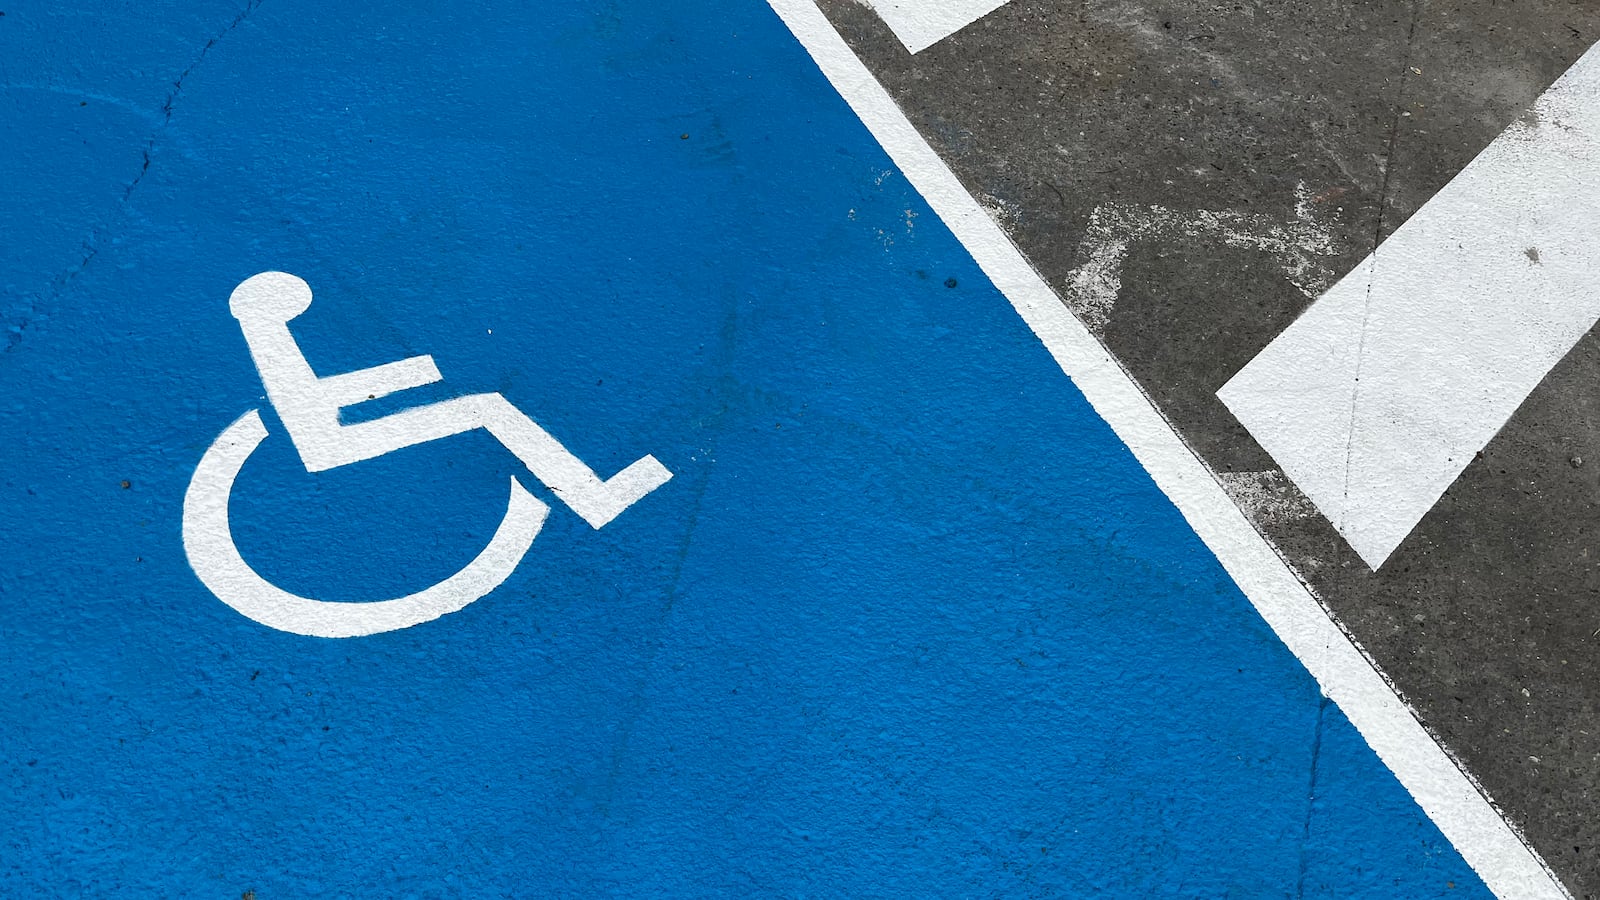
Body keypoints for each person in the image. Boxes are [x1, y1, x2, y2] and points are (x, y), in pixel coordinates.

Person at [228, 271, 671, 529]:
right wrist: (416, 372)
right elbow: (312, 402)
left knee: (484, 407)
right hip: (332, 444)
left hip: (325, 437)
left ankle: (591, 496)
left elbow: (314, 396)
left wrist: (416, 371)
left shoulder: (266, 338)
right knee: (487, 407)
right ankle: (594, 499)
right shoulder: (272, 341)